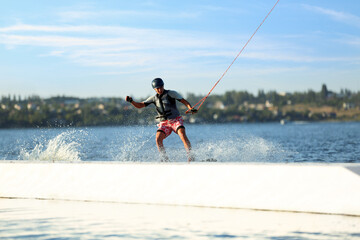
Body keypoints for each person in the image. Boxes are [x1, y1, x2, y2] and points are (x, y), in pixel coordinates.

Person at [125, 78, 197, 162]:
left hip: (175, 120)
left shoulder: (171, 93)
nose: (159, 89)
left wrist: (190, 108)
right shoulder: (153, 98)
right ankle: (165, 159)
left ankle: (191, 156)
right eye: (157, 88)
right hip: (164, 123)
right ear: (154, 89)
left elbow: (184, 101)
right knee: (158, 138)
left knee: (182, 133)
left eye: (161, 87)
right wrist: (131, 101)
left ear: (163, 85)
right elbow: (140, 105)